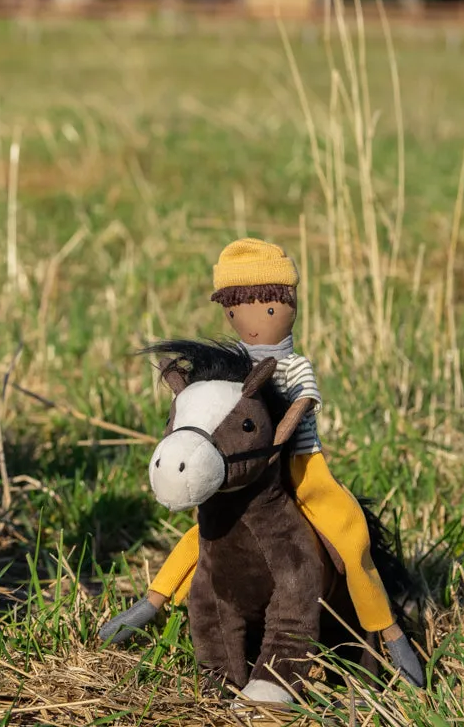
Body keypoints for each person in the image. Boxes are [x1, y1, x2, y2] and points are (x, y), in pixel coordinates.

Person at [99, 238, 425, 687]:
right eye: (236, 312)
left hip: (298, 464)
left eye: (267, 309)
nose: (252, 323)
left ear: (289, 305)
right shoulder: (233, 361)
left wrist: (279, 431)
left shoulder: (294, 364)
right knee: (206, 533)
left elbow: (305, 401)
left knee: (349, 535)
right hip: (243, 466)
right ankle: (153, 601)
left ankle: (388, 630)